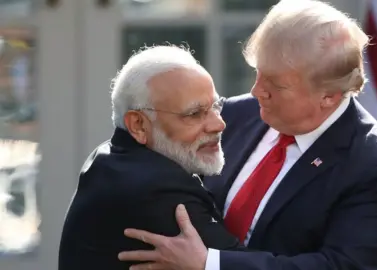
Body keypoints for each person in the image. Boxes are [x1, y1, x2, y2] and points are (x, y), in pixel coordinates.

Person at [117, 0, 377, 269]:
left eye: (276, 83)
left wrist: (211, 264)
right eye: (258, 72)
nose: (256, 90)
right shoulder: (236, 115)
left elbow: (342, 265)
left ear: (329, 95)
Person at [58, 45, 242, 270]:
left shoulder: (110, 157)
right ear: (138, 125)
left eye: (216, 106)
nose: (219, 124)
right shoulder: (157, 190)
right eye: (194, 114)